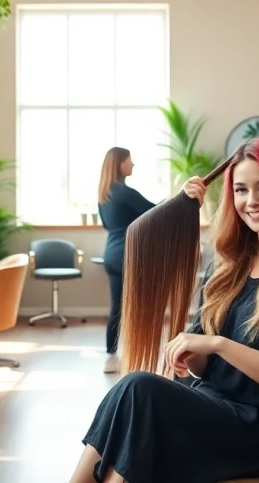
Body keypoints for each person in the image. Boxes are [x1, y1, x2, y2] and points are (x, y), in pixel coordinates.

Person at [71, 137, 259, 483]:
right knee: (130, 398)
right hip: (220, 410)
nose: (251, 201)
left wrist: (216, 344)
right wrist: (191, 353)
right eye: (240, 190)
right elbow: (205, 367)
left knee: (138, 391)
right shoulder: (229, 266)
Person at [96, 147, 157, 374]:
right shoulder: (124, 192)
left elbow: (106, 225)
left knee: (118, 307)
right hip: (129, 255)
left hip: (111, 254)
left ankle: (112, 357)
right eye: (130, 160)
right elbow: (155, 210)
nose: (133, 164)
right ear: (120, 163)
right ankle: (139, 356)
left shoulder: (104, 194)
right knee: (137, 307)